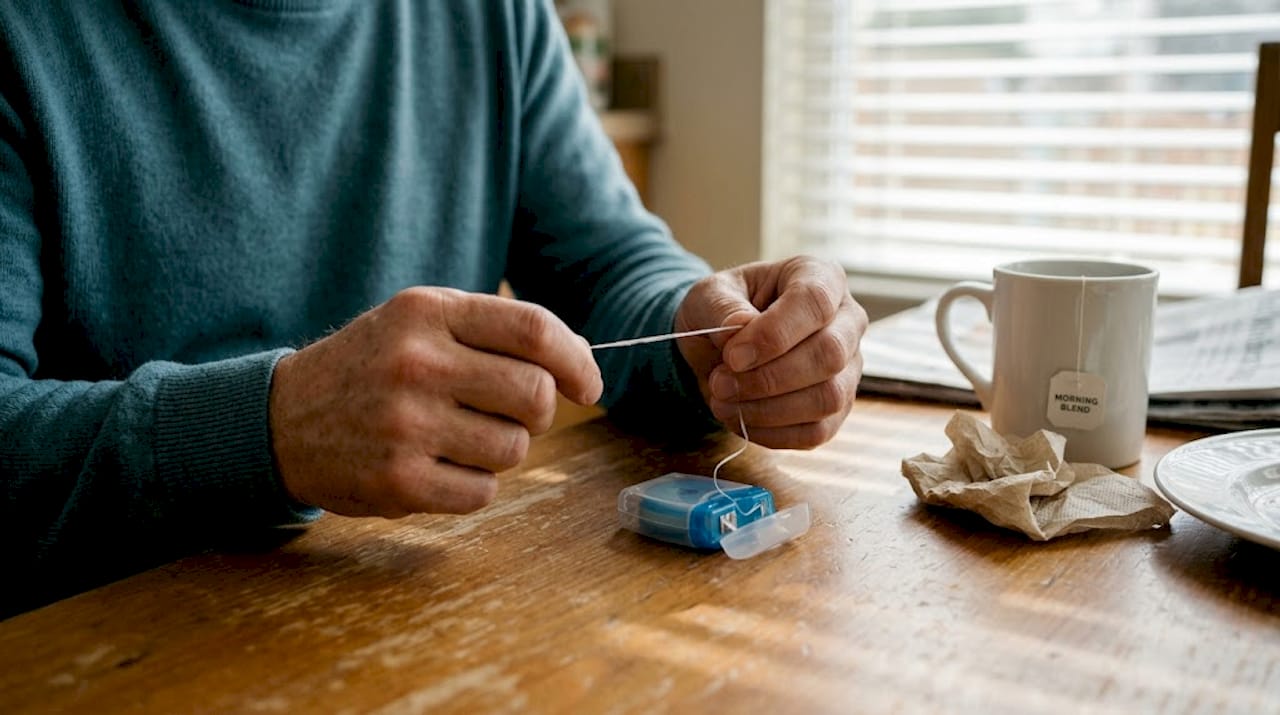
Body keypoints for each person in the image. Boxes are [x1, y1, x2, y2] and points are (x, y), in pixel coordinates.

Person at [0, 1, 867, 618]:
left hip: (406, 616)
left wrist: (705, 332)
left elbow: (607, 257)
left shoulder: (494, 18)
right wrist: (271, 427)